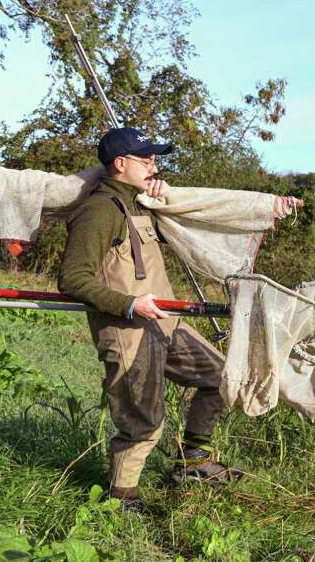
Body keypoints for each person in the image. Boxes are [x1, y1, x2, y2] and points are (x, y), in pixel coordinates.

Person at [58, 128, 241, 511]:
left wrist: (161, 198)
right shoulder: (98, 211)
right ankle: (122, 500)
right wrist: (129, 305)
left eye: (156, 159)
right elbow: (73, 279)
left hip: (166, 324)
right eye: (147, 160)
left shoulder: (140, 203)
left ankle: (194, 462)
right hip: (129, 331)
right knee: (143, 423)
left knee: (221, 377)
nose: (154, 165)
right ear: (120, 164)